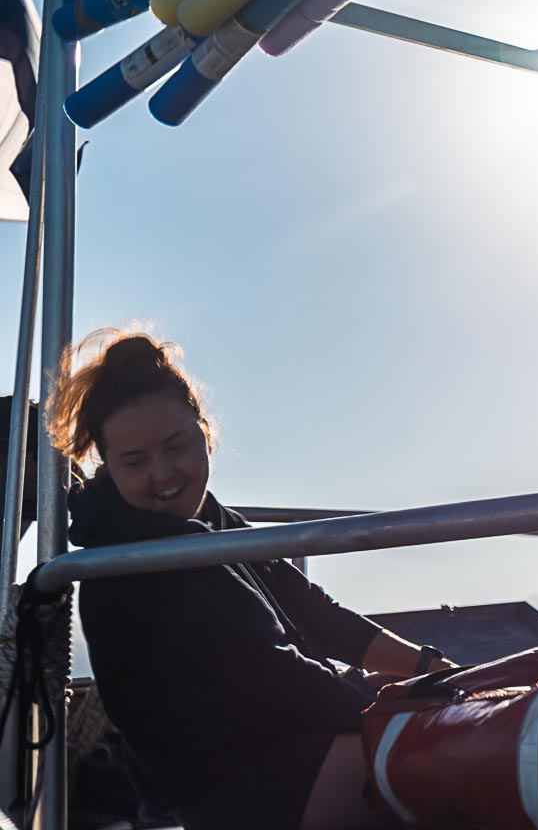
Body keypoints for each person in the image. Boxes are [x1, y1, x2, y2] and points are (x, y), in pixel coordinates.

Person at [49, 328, 456, 830]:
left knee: (437, 711)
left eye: (176, 446)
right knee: (450, 763)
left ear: (205, 433)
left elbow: (313, 612)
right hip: (233, 787)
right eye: (136, 461)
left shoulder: (212, 521)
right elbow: (274, 676)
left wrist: (431, 669)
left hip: (282, 736)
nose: (163, 473)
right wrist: (403, 708)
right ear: (108, 466)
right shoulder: (131, 561)